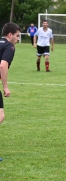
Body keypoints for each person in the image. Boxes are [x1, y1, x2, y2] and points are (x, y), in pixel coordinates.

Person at [0, 22, 21, 161]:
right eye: (17, 36)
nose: (18, 39)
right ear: (10, 35)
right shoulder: (9, 46)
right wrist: (5, 86)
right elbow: (3, 65)